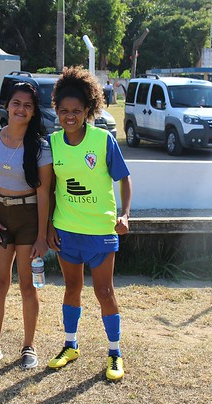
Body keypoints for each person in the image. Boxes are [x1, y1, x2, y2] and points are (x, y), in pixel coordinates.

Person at [46, 66, 132, 382]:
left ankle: (114, 353)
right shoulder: (51, 144)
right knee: (71, 287)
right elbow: (50, 189)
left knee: (104, 290)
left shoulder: (103, 140)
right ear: (56, 110)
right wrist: (48, 225)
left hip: (100, 231)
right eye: (65, 111)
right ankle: (70, 345)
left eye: (77, 111)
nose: (70, 116)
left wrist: (124, 214)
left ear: (88, 111)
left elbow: (124, 178)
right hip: (66, 231)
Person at [0, 82, 53, 371]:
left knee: (27, 286)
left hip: (29, 219)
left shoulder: (40, 147)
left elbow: (45, 193)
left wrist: (43, 236)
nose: (21, 109)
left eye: (28, 106)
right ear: (7, 105)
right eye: (16, 103)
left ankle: (29, 346)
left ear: (33, 113)